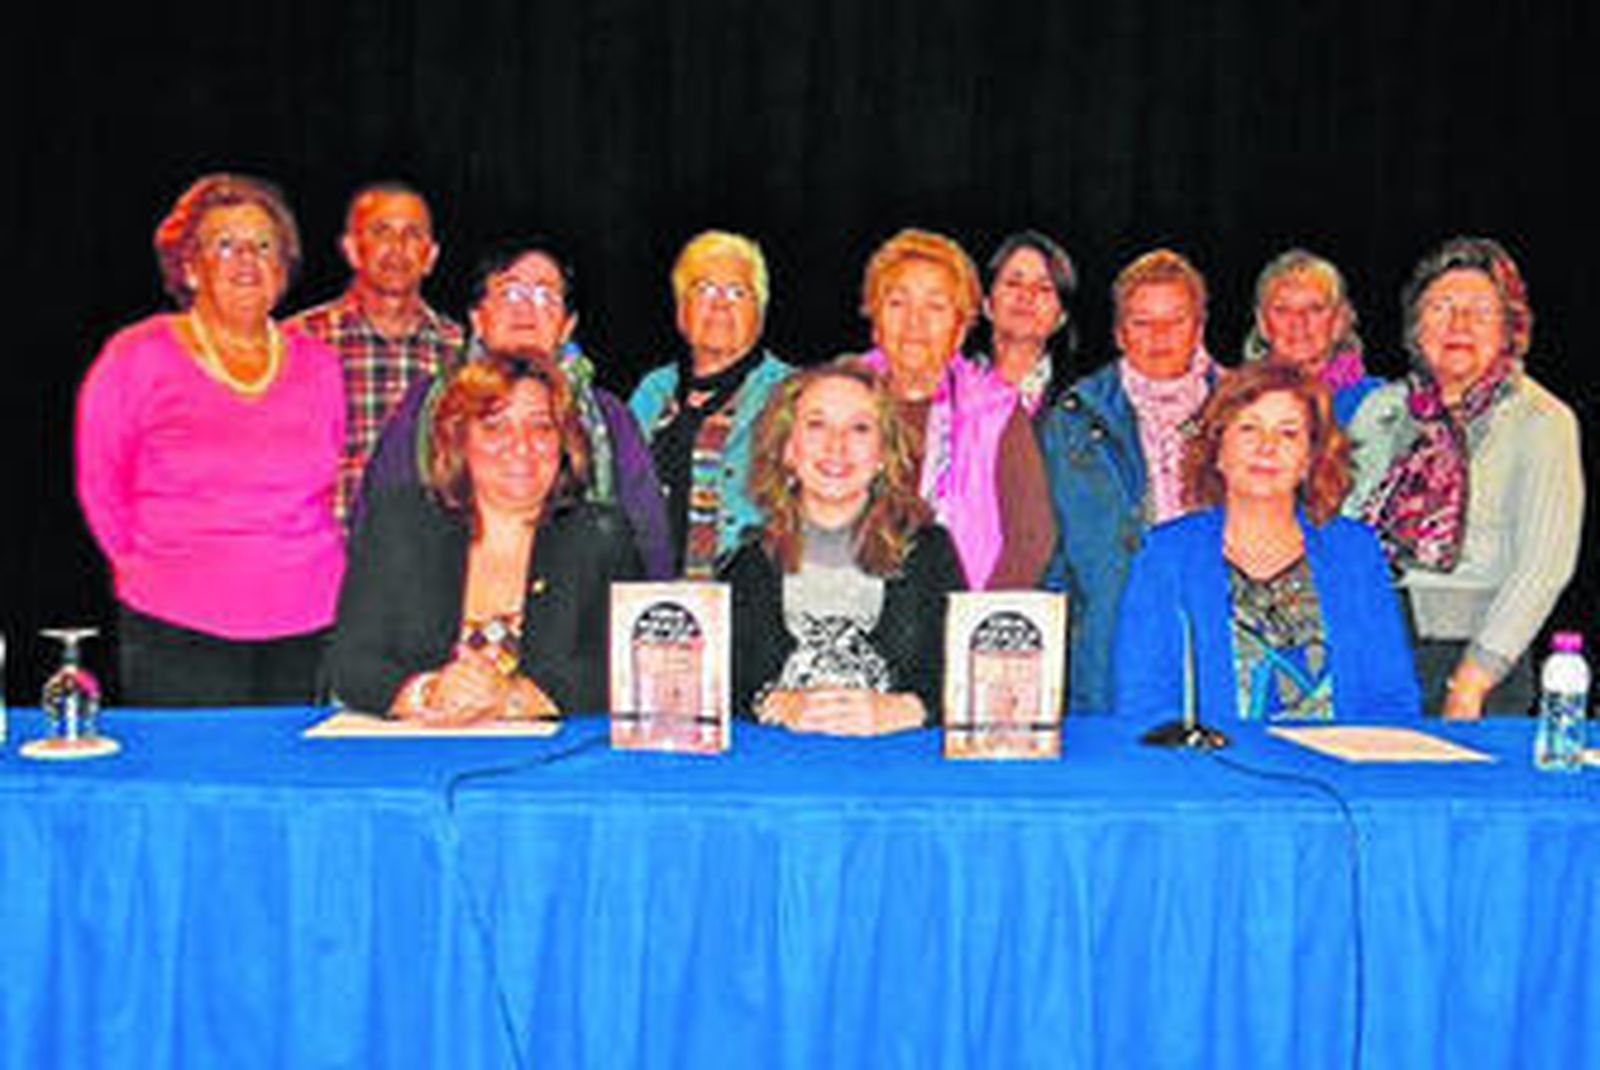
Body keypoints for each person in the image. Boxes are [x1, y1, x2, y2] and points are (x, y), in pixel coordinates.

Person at [75, 174, 345, 705]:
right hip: (177, 626)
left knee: (292, 787)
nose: (247, 258)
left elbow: (328, 480)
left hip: (311, 623)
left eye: (264, 245)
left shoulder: (320, 364)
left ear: (283, 269)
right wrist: (155, 567)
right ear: (190, 266)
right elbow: (101, 487)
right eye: (226, 243)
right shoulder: (137, 355)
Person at [1346, 237, 1583, 718]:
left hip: (1473, 662)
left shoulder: (1541, 419)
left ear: (1510, 329)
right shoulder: (1379, 410)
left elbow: (1544, 566)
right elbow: (1343, 533)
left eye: (1479, 310)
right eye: (1442, 307)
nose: (1459, 324)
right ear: (1416, 328)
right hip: (1370, 651)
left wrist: (1473, 678)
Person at [331, 356, 641, 721]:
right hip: (419, 756)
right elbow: (351, 663)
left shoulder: (601, 535)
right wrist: (428, 692)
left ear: (564, 441)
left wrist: (516, 698)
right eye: (495, 427)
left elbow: (630, 663)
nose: (521, 446)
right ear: (459, 438)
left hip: (546, 765)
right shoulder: (401, 522)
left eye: (541, 427)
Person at [1112, 363, 1420, 723]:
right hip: (1215, 772)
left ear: (1309, 458)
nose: (1266, 447)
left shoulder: (1355, 551)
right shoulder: (1168, 554)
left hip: (1335, 772)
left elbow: (1392, 696)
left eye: (1288, 433)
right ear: (1218, 450)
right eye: (1248, 429)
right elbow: (1143, 701)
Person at [361, 241, 673, 577]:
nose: (526, 310)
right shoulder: (428, 407)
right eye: (510, 293)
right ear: (477, 319)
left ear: (567, 326)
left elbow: (648, 539)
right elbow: (380, 522)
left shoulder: (608, 419)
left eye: (545, 297)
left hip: (576, 607)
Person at [722, 360, 966, 734]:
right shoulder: (746, 565)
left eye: (860, 428)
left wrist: (910, 709)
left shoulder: (931, 554)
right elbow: (719, 686)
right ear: (788, 448)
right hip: (779, 778)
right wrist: (771, 703)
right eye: (817, 425)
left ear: (884, 453)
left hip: (895, 777)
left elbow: (970, 678)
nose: (837, 445)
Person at [1038, 248, 1223, 714]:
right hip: (1109, 642)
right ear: (1120, 333)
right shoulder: (1072, 419)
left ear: (1199, 327)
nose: (1159, 336)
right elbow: (1050, 557)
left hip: (1222, 633)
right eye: (1142, 322)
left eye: (1175, 320)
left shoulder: (1248, 411)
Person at [851, 227, 1055, 590]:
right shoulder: (834, 396)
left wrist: (976, 629)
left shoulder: (997, 412)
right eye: (898, 303)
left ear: (960, 328)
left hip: (957, 621)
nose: (915, 322)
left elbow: (1031, 540)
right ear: (875, 321)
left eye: (935, 306)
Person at [289, 181, 464, 524]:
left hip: (424, 557)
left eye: (412, 234)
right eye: (381, 231)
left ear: (430, 256)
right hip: (323, 554)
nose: (397, 248)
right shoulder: (298, 342)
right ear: (352, 249)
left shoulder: (460, 352)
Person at [630, 231, 793, 577]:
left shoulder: (792, 393)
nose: (720, 304)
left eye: (738, 292)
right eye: (704, 289)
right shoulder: (651, 390)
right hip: (649, 601)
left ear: (760, 312)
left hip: (749, 595)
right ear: (680, 309)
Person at [1241, 248, 1381, 425]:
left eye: (1315, 309)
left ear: (1339, 321)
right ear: (1262, 323)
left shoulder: (1377, 402)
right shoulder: (1237, 399)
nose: (1298, 322)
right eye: (1282, 310)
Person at [980, 230, 1078, 416]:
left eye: (1044, 289)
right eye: (1013, 283)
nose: (1026, 296)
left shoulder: (1085, 404)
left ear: (1061, 316)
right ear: (987, 303)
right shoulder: (949, 388)